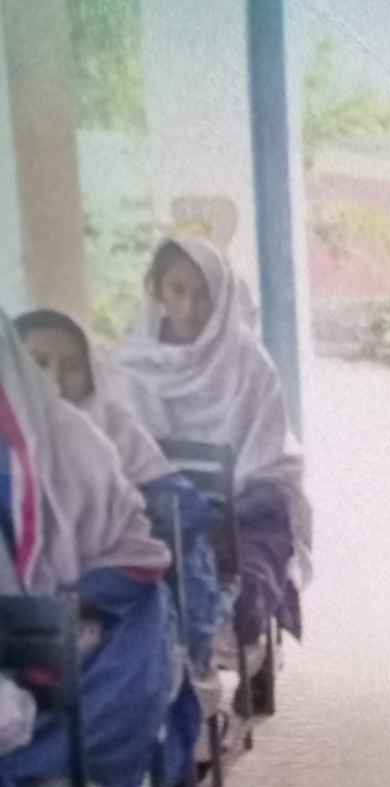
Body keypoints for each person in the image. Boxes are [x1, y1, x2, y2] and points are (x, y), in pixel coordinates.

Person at [0, 311, 175, 787]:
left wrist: (62, 618)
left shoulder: (73, 446)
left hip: (92, 670)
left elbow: (140, 560)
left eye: (61, 363)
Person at [115, 237, 312, 709]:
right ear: (157, 289)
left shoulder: (248, 363)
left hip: (241, 500)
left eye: (202, 294)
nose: (188, 307)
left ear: (222, 296)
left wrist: (215, 507)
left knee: (250, 554)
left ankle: (249, 651)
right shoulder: (127, 363)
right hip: (157, 507)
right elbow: (120, 447)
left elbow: (265, 446)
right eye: (177, 289)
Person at [14, 308, 221, 679]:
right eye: (39, 362)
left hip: (110, 580)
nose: (54, 378)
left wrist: (126, 519)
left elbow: (179, 511)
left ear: (91, 374)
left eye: (72, 367)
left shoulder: (113, 428)